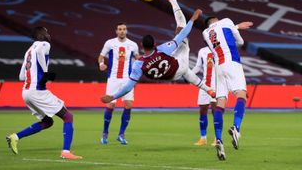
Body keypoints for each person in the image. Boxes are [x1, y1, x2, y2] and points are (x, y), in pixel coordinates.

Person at [101, 8, 216, 105]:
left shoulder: (138, 64)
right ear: (155, 44)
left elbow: (128, 87)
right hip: (179, 67)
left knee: (186, 71)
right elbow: (184, 34)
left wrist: (113, 96)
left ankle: (208, 90)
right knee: (183, 41)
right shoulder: (162, 49)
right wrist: (193, 19)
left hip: (170, 77)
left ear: (141, 45)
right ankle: (208, 89)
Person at [6, 27, 82, 160]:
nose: (49, 34)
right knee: (68, 117)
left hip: (26, 92)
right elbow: (41, 51)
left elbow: (21, 77)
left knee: (47, 122)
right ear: (41, 34)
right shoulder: (44, 44)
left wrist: (37, 75)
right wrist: (45, 72)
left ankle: (15, 137)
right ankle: (66, 152)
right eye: (47, 31)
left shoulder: (28, 51)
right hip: (37, 91)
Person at [202, 16, 253, 160]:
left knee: (220, 102)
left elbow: (219, 35)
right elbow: (241, 42)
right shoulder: (227, 21)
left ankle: (219, 139)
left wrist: (235, 27)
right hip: (232, 62)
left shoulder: (205, 33)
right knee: (241, 95)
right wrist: (236, 27)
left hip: (219, 66)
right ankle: (236, 128)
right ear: (216, 20)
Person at [98, 23, 139, 145]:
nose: (122, 31)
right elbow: (101, 57)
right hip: (113, 79)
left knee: (128, 105)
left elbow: (138, 59)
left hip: (128, 79)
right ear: (116, 31)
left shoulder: (133, 45)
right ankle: (105, 133)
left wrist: (137, 71)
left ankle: (121, 134)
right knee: (110, 106)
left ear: (126, 31)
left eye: (124, 29)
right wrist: (101, 64)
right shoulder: (110, 43)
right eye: (120, 29)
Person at [192, 46, 217, 146]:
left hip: (217, 84)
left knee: (215, 110)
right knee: (202, 110)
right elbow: (198, 66)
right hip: (205, 84)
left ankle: (217, 138)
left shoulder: (221, 49)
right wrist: (188, 74)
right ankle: (203, 138)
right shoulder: (202, 51)